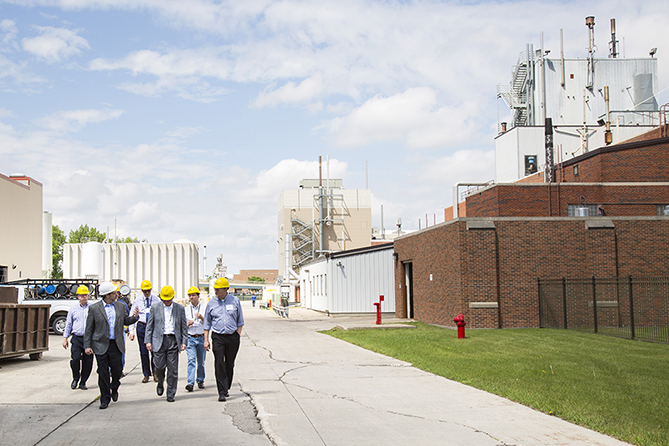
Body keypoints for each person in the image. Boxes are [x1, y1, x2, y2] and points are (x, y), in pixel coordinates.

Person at [84, 281, 139, 410]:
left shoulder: (120, 306)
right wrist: (87, 345)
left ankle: (114, 387)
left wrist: (134, 317)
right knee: (102, 373)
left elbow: (125, 321)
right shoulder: (94, 308)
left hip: (116, 344)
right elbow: (89, 329)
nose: (117, 294)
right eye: (114, 293)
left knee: (117, 370)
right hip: (100, 345)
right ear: (107, 295)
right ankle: (104, 398)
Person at [203, 277, 244, 402]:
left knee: (229, 364)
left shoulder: (235, 301)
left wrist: (237, 335)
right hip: (218, 337)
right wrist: (206, 339)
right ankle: (221, 391)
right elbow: (207, 323)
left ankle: (227, 386)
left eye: (218, 289)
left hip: (232, 337)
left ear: (226, 289)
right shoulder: (211, 303)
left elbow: (240, 321)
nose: (215, 291)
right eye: (215, 289)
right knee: (219, 363)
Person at [145, 285, 187, 403]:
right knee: (159, 366)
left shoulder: (179, 309)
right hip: (159, 340)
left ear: (173, 297)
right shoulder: (155, 307)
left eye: (169, 299)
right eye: (165, 299)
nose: (167, 302)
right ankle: (160, 382)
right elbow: (150, 326)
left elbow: (183, 327)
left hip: (173, 341)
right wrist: (148, 341)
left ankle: (171, 393)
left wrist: (184, 341)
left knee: (173, 370)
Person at [62, 285, 94, 390]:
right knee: (75, 359)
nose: (84, 297)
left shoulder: (92, 308)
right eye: (81, 295)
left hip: (89, 339)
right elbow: (68, 324)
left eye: (85, 295)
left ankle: (83, 382)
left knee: (87, 362)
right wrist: (65, 338)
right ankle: (76, 377)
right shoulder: (73, 309)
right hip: (77, 338)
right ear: (78, 297)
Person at [129, 279, 160, 383]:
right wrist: (131, 331)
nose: (147, 293)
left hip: (153, 327)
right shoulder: (137, 301)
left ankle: (155, 372)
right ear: (142, 291)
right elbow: (132, 316)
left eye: (148, 291)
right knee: (143, 352)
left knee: (154, 351)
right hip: (142, 326)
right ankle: (146, 374)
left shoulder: (156, 300)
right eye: (145, 291)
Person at [185, 286, 207, 392]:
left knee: (201, 361)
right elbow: (182, 325)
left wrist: (202, 317)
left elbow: (208, 323)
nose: (191, 297)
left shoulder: (204, 308)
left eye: (193, 295)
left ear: (198, 296)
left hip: (201, 337)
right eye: (190, 295)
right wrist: (187, 324)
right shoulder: (186, 310)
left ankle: (200, 380)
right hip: (191, 337)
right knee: (191, 360)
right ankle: (190, 383)